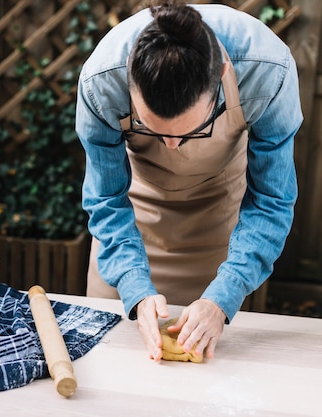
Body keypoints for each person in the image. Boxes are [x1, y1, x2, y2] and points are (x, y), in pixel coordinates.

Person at [75, 0, 302, 362]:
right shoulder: (101, 80)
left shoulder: (267, 70)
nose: (171, 146)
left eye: (193, 131)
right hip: (133, 213)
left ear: (223, 74)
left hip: (218, 219)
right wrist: (134, 286)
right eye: (152, 128)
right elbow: (105, 199)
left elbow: (271, 200)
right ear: (129, 81)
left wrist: (222, 297)